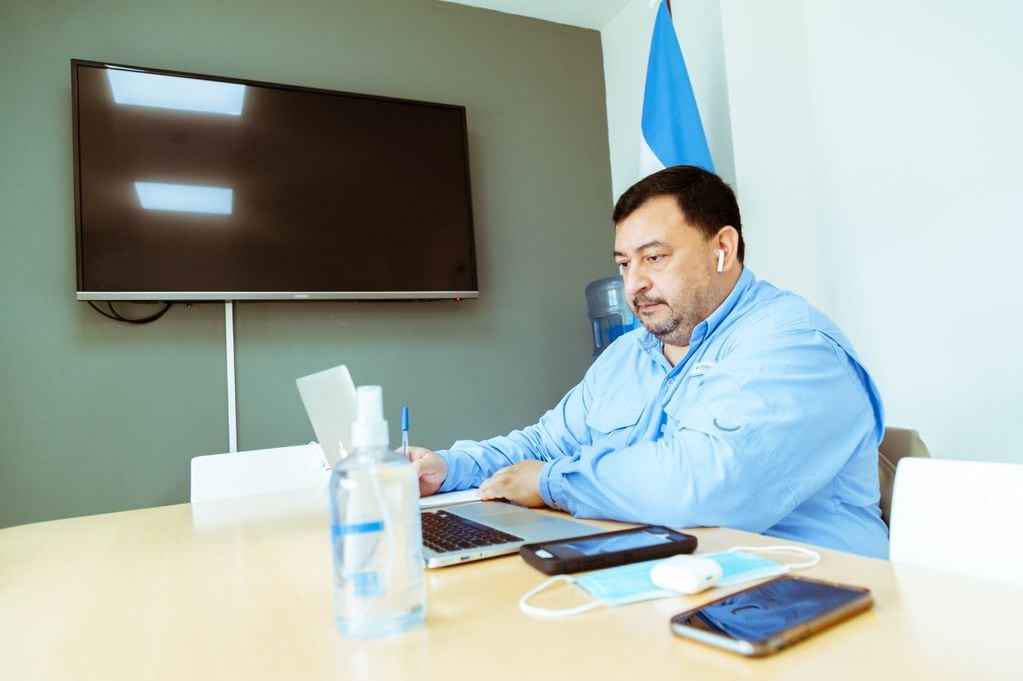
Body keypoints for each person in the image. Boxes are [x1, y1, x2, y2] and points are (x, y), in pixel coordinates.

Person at [410, 165, 889, 558]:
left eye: (654, 258)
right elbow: (548, 441)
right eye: (624, 263)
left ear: (723, 249)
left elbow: (703, 485)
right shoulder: (627, 355)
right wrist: (450, 469)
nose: (632, 284)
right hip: (671, 581)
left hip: (810, 596)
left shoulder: (793, 345)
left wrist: (552, 482)